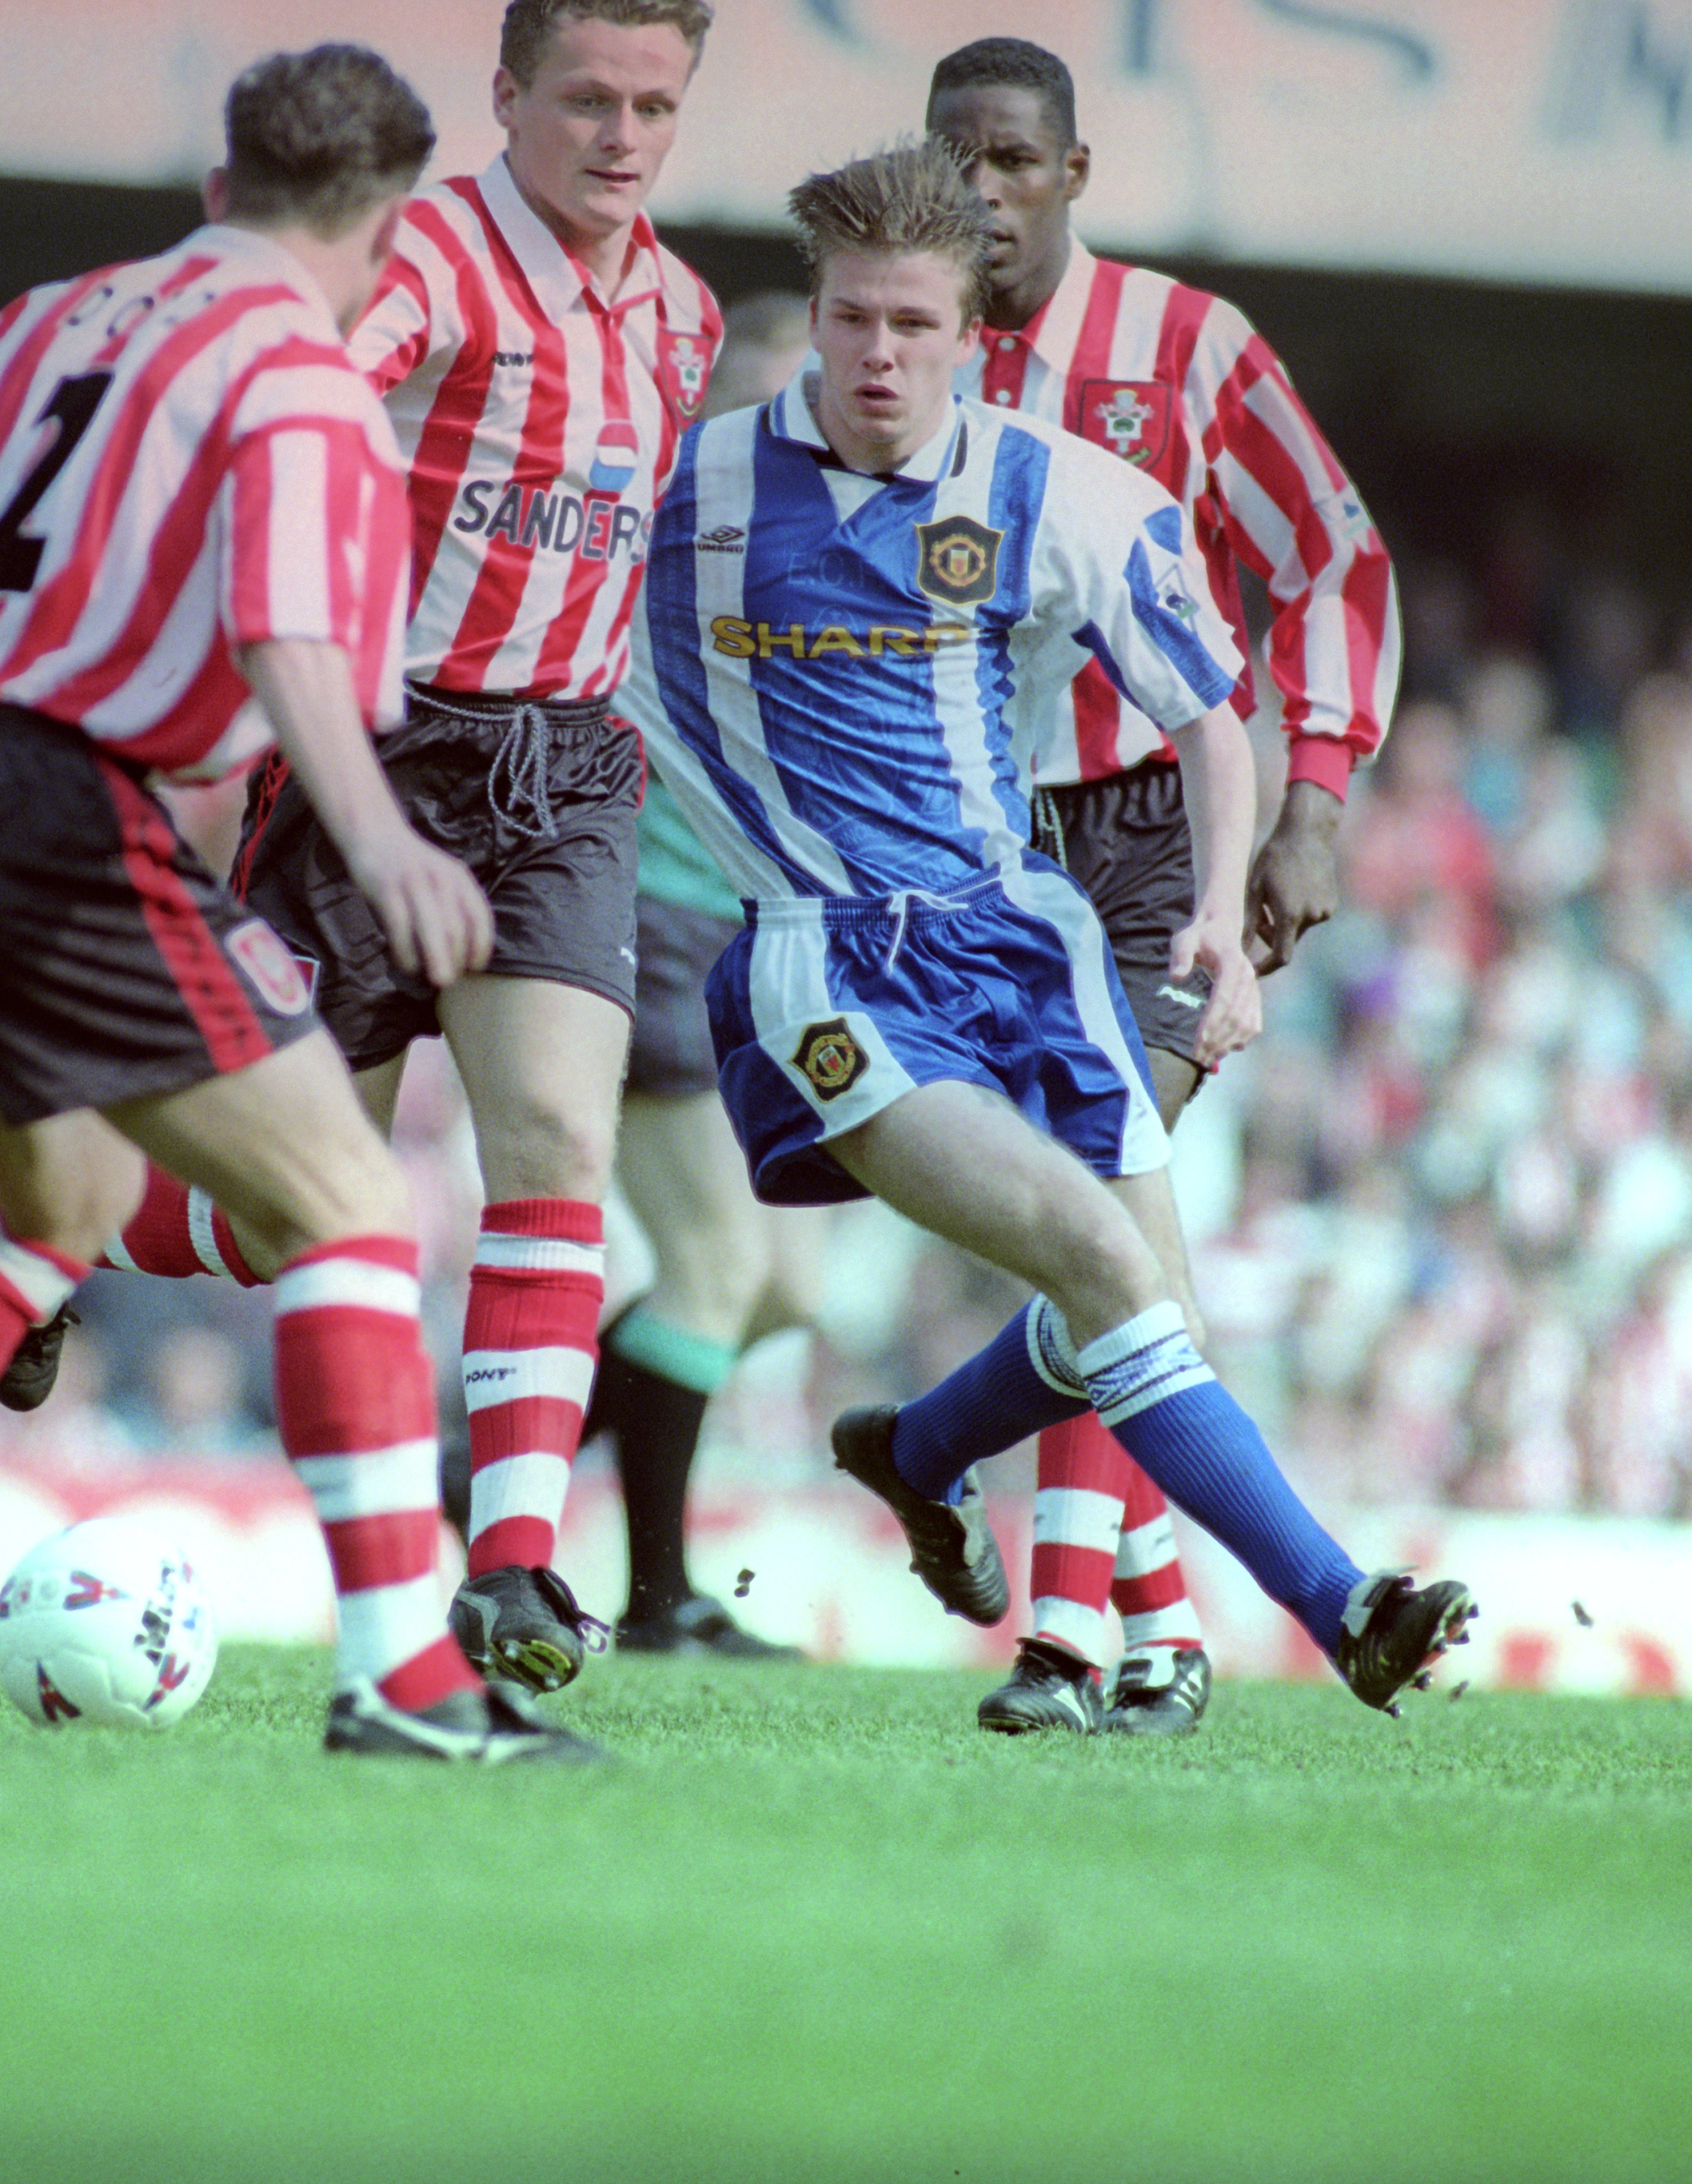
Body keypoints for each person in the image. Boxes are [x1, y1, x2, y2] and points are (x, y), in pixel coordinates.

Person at [0, 43, 597, 1763]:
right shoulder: (300, 381)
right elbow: (288, 634)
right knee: (351, 1207)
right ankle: (400, 1678)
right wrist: (380, 844)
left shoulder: (42, 325)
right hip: (47, 804)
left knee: (57, 1198)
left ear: (218, 195)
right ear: (381, 236)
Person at [612, 138, 1470, 1724]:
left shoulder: (1058, 491)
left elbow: (1213, 721)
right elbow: (494, 597)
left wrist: (1214, 914)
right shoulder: (684, 487)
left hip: (1029, 941)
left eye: (913, 326)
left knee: (1153, 1310)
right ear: (816, 311)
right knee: (1097, 1259)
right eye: (852, 318)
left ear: (964, 332)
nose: (878, 354)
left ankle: (918, 1447)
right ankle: (1342, 1604)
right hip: (831, 955)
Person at [18, 0, 726, 1702]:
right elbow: (298, 378)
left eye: (653, 104)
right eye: (585, 100)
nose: (620, 137)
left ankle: (519, 1563)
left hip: (562, 763)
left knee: (551, 1130)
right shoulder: (423, 262)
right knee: (286, 1215)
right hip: (370, 757)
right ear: (504, 96)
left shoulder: (686, 316)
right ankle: (52, 1226)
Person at [927, 35, 1403, 1736]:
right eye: (951, 158)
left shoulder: (1187, 350)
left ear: (1070, 172)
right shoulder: (898, 353)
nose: (977, 192)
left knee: (1087, 1185)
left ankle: (1056, 1637)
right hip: (969, 848)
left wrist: (1314, 803)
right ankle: (1165, 1620)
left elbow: (1329, 557)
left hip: (1149, 832)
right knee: (1102, 1225)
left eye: (1008, 160)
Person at [583, 289, 820, 1657]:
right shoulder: (682, 519)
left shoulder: (818, 526)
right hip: (660, 916)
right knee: (717, 1263)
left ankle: (483, 1460)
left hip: (759, 938)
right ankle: (658, 1596)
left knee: (780, 1284)